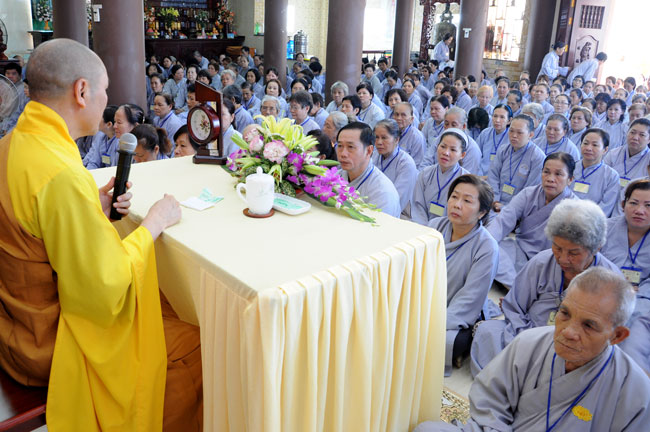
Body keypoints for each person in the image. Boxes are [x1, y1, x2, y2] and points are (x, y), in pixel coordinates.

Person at [0, 38, 201, 431]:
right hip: (48, 343)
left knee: (163, 303)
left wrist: (93, 209)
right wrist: (153, 223)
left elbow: (36, 228)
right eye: (105, 89)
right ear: (81, 91)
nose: (108, 101)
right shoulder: (61, 173)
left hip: (13, 326)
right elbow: (104, 290)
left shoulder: (13, 143)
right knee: (192, 341)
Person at [418, 267, 650, 432]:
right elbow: (490, 399)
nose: (568, 331)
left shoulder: (636, 392)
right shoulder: (530, 342)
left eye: (588, 325)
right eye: (565, 313)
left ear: (617, 336)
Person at [472, 198, 620, 375]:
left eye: (573, 253)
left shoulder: (610, 281)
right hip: (528, 335)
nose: (563, 259)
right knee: (487, 331)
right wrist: (527, 339)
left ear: (596, 248)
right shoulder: (542, 262)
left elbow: (604, 335)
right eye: (557, 248)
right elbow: (515, 307)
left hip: (574, 347)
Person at [428, 175, 498, 375]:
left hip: (457, 313)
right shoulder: (434, 226)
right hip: (424, 303)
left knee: (439, 341)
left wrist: (430, 322)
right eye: (454, 197)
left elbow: (470, 298)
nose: (457, 205)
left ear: (482, 212)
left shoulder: (487, 247)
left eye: (467, 201)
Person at [488, 153, 577, 286]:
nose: (550, 179)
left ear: (570, 179)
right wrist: (485, 244)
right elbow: (503, 221)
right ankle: (518, 286)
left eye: (558, 174)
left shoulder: (575, 207)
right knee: (491, 245)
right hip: (519, 252)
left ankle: (516, 286)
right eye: (546, 172)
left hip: (548, 262)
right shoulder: (528, 194)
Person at [601, 179, 650, 373]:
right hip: (603, 290)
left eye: (648, 206)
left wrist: (637, 292)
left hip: (643, 299)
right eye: (634, 203)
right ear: (623, 204)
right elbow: (591, 262)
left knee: (636, 330)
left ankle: (630, 375)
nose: (640, 211)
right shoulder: (604, 228)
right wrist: (620, 286)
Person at [336, 122, 401, 217]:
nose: (343, 154)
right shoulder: (336, 177)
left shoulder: (382, 192)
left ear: (369, 151)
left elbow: (377, 225)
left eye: (350, 147)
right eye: (340, 146)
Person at [487, 114, 546, 211]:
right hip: (495, 201)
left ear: (530, 135)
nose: (514, 136)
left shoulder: (538, 157)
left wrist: (508, 208)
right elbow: (493, 175)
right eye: (511, 131)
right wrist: (495, 200)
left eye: (519, 133)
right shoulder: (503, 150)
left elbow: (531, 189)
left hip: (519, 208)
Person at [411, 129, 469, 225]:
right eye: (443, 146)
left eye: (453, 150)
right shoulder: (425, 174)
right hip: (422, 227)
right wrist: (425, 228)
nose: (446, 153)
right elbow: (417, 206)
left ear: (462, 155)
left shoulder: (467, 181)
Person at [371, 119, 418, 212]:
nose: (379, 142)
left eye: (384, 138)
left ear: (396, 140)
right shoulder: (373, 155)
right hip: (371, 203)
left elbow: (398, 198)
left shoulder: (406, 163)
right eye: (376, 137)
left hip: (394, 210)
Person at [572, 128, 621, 217]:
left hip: (592, 221)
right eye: (585, 143)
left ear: (605, 150)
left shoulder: (611, 176)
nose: (588, 148)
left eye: (595, 145)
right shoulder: (570, 168)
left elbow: (606, 207)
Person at [422, 107, 482, 174]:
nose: (449, 128)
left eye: (453, 125)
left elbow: (466, 177)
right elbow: (426, 162)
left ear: (464, 126)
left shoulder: (473, 149)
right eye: (446, 124)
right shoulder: (439, 139)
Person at [604, 118, 650, 198]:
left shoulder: (648, 159)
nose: (635, 137)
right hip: (609, 198)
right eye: (632, 132)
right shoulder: (614, 154)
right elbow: (602, 180)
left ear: (649, 139)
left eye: (642, 135)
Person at [476, 104, 511, 176]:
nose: (497, 120)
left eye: (502, 117)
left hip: (499, 176)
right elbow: (476, 155)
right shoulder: (485, 133)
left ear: (509, 121)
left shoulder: (511, 137)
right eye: (495, 116)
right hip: (480, 174)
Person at [391, 102, 426, 169]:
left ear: (411, 119)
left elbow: (418, 165)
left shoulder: (417, 137)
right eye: (396, 114)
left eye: (403, 115)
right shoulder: (389, 132)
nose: (399, 118)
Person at [83, 105, 118, 169]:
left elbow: (114, 168)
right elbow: (94, 162)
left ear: (109, 124)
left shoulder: (118, 142)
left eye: (100, 117)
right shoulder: (101, 137)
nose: (97, 119)